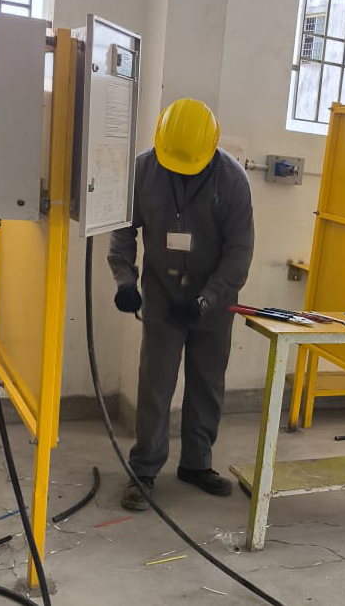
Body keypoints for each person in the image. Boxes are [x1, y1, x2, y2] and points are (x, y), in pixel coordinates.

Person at [108, 98, 254, 511]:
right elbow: (122, 231)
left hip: (215, 299)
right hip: (162, 295)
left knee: (207, 383)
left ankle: (196, 463)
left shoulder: (233, 180)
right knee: (155, 384)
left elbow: (239, 252)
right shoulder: (143, 170)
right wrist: (125, 282)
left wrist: (207, 300)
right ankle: (144, 469)